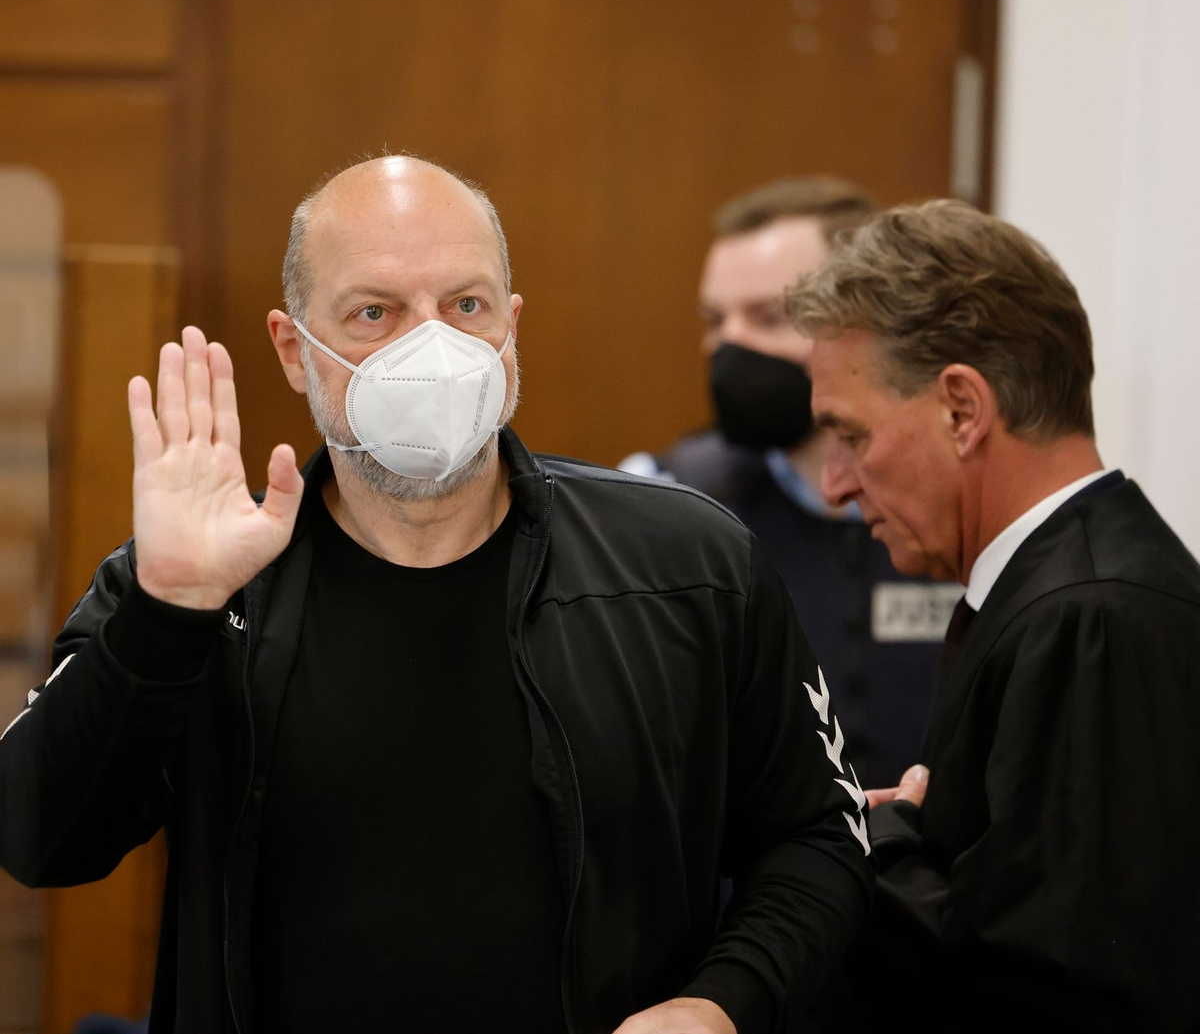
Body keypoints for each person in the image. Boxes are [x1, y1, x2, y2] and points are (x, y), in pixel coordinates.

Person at [0, 155, 872, 1034]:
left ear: (511, 325)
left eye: (466, 306)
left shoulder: (687, 566)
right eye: (374, 312)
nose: (434, 347)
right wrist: (165, 615)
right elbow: (39, 834)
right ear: (295, 350)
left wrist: (718, 1005)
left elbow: (818, 837)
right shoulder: (206, 584)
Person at [786, 199, 1200, 1032]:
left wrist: (879, 840)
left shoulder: (1091, 620)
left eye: (850, 434)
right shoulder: (1061, 593)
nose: (834, 483)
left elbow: (1062, 991)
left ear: (962, 410)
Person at [621, 178, 956, 790]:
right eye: (716, 319)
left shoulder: (963, 509)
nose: (731, 345)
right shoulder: (660, 504)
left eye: (770, 315)